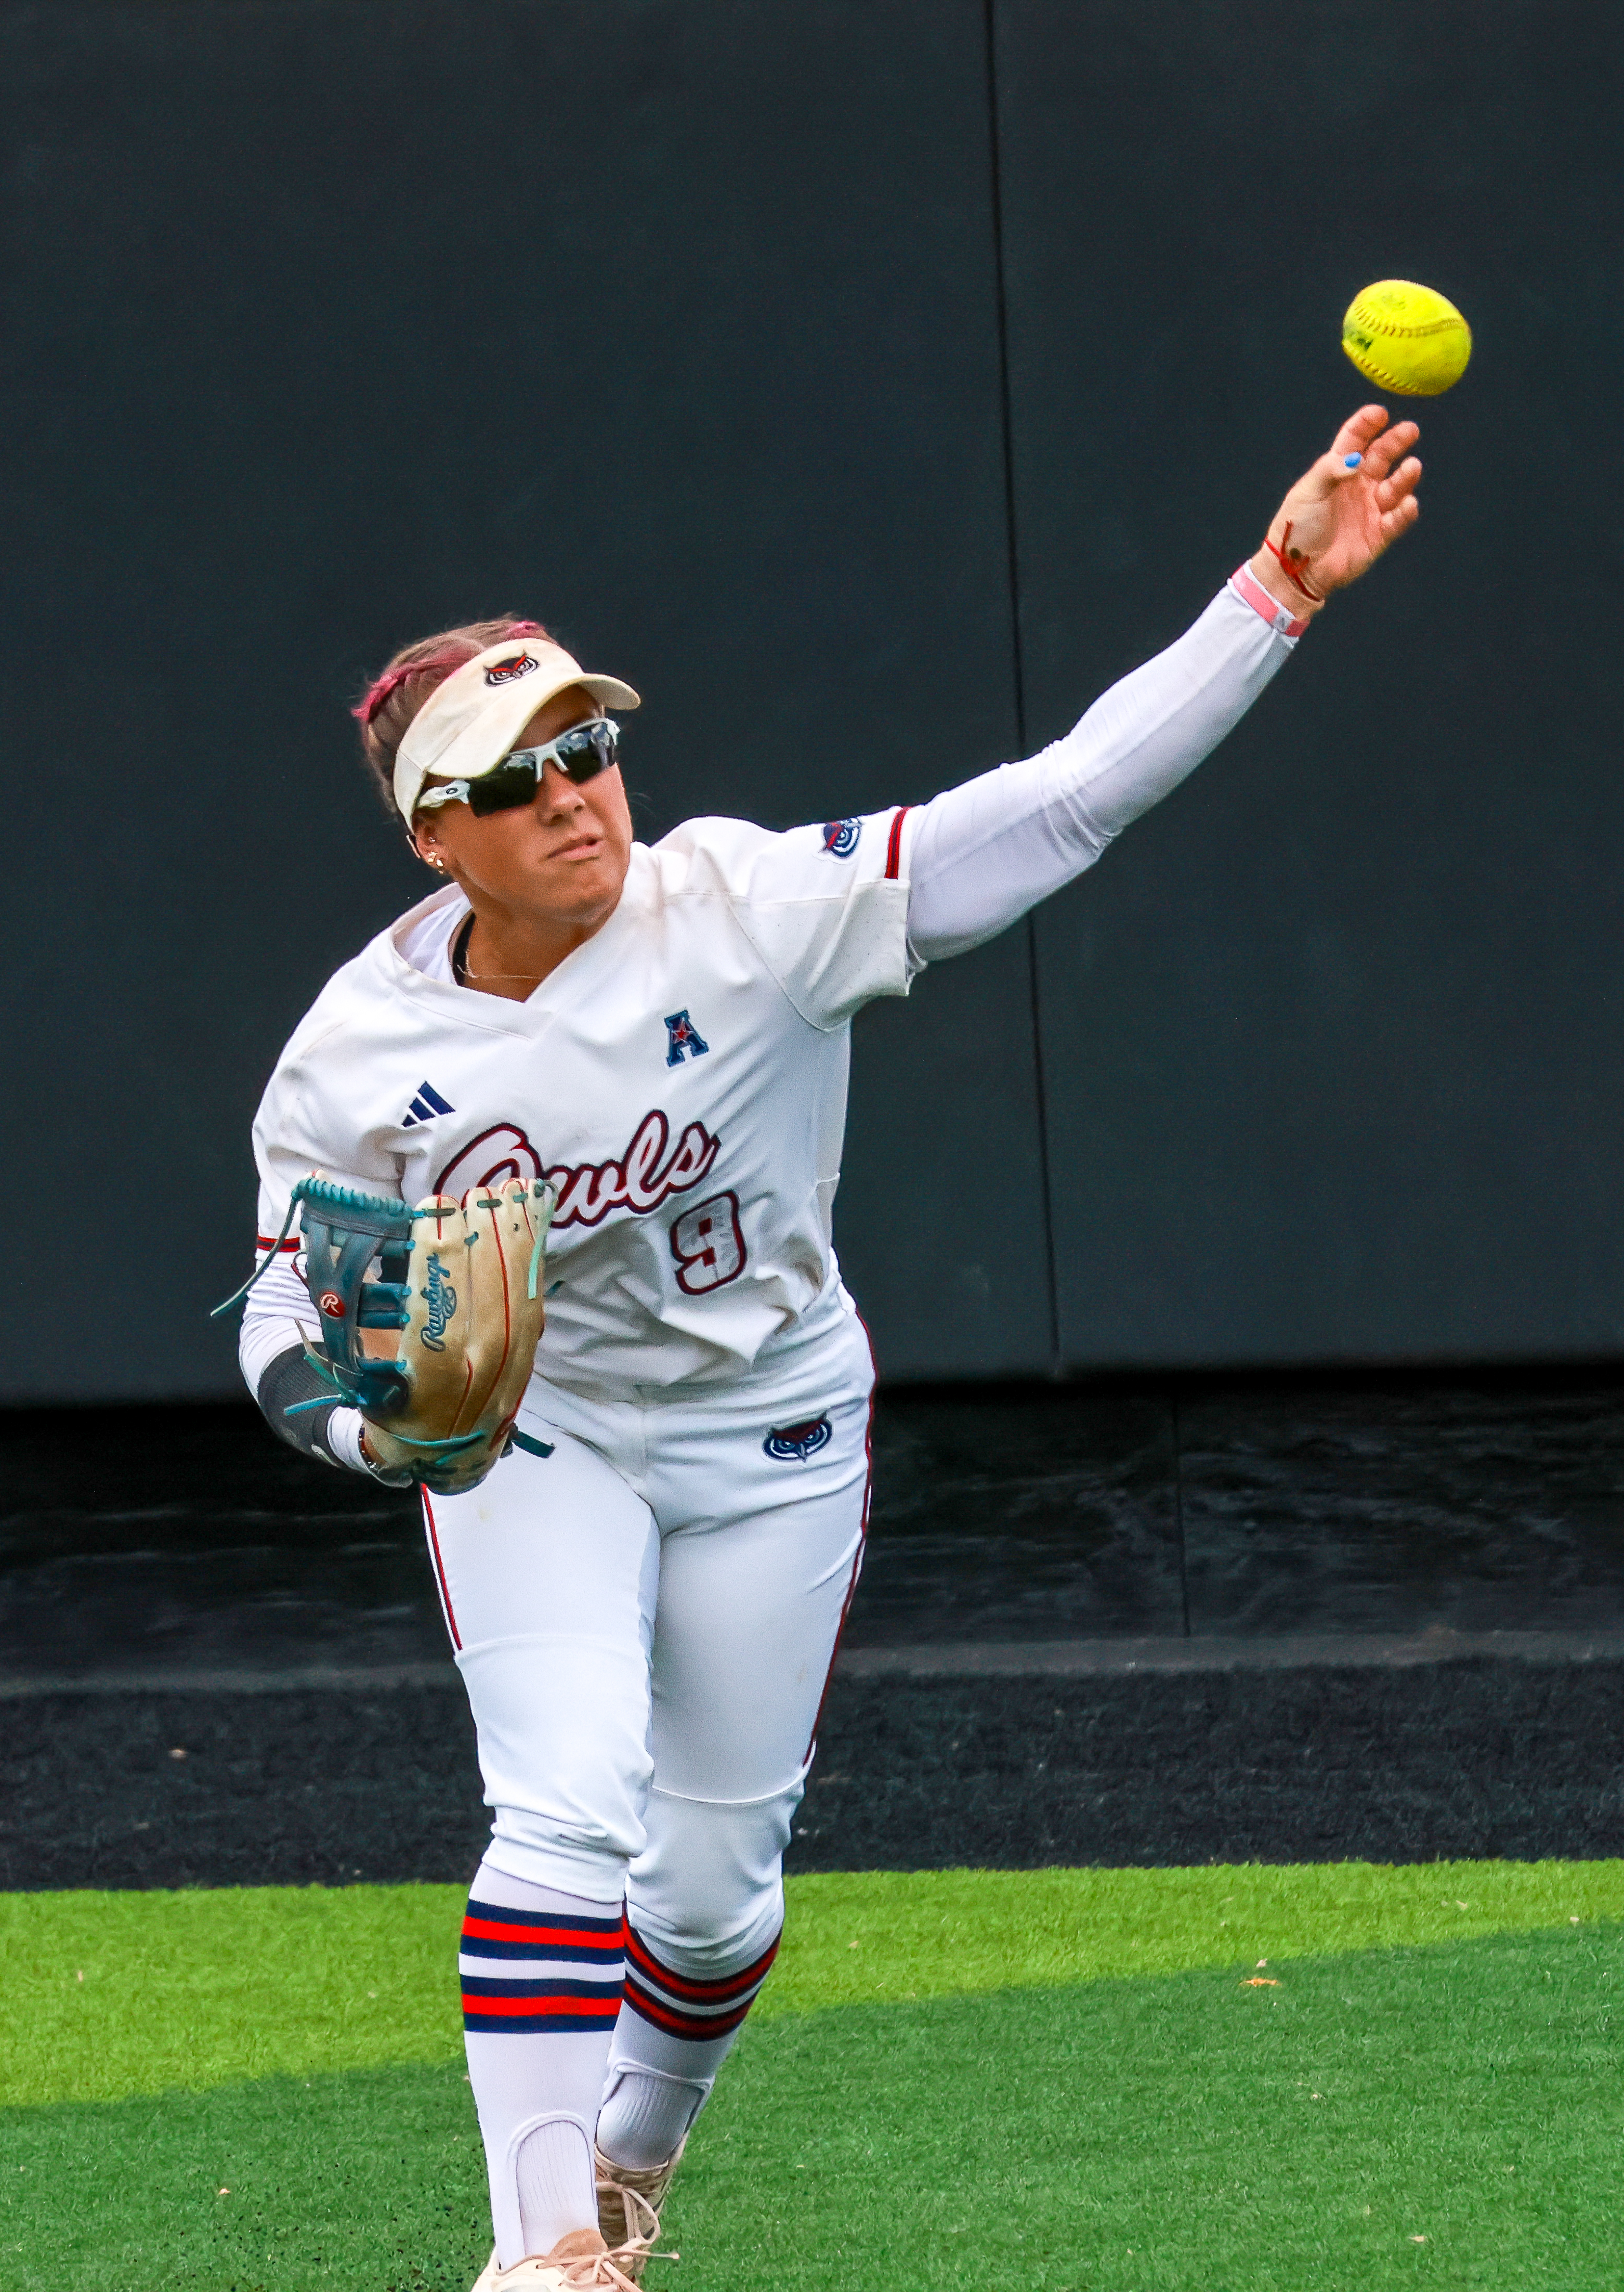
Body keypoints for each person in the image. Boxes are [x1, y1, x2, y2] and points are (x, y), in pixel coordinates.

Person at [241, 405, 1423, 2290]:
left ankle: (633, 2155)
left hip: (773, 1417)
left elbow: (1058, 803)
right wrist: (375, 1441)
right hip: (532, 1440)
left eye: (590, 742)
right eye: (518, 773)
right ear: (433, 832)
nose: (577, 790)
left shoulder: (753, 907)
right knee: (558, 1811)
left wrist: (1274, 588)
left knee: (709, 1906)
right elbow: (287, 1303)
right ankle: (543, 2257)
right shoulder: (357, 1058)